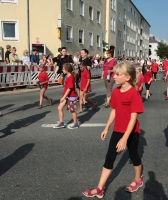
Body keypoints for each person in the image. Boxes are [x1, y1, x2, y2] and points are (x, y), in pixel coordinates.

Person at [83, 61, 144, 198]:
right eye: (114, 74)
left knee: (133, 155)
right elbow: (114, 111)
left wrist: (124, 138)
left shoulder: (134, 94)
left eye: (117, 74)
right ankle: (99, 188)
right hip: (118, 130)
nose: (114, 76)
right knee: (109, 157)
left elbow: (133, 119)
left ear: (127, 77)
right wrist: (106, 128)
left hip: (132, 132)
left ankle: (138, 179)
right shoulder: (116, 91)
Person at [53, 63, 79, 129]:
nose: (62, 70)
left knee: (72, 110)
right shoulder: (68, 76)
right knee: (59, 108)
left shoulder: (70, 77)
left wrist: (64, 97)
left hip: (71, 96)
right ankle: (61, 122)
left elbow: (69, 88)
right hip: (67, 96)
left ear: (67, 69)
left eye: (64, 69)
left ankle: (75, 123)